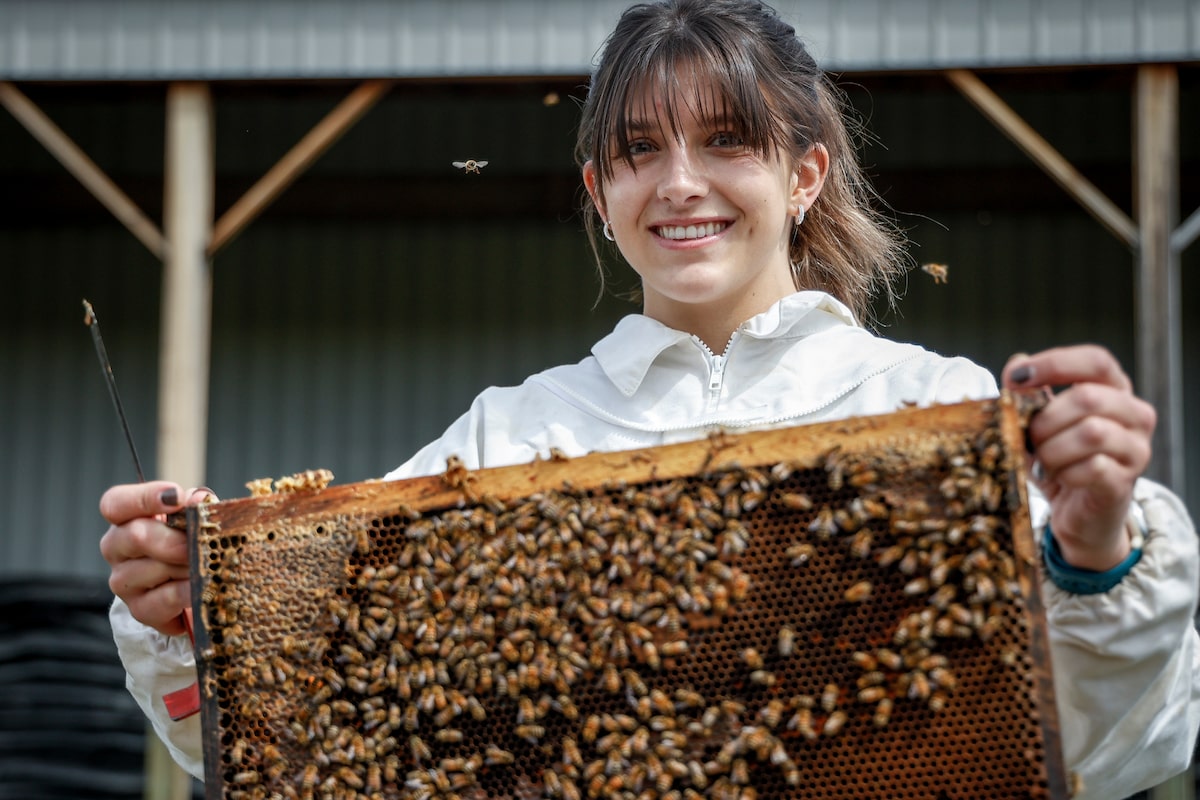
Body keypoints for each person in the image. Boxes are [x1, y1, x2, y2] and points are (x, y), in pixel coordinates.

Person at [100, 0, 1199, 797]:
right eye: (637, 151)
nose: (678, 181)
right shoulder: (508, 438)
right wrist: (187, 615)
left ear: (805, 174)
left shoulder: (938, 411)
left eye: (726, 140)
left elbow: (1130, 744)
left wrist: (1097, 549)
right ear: (600, 191)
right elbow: (299, 738)